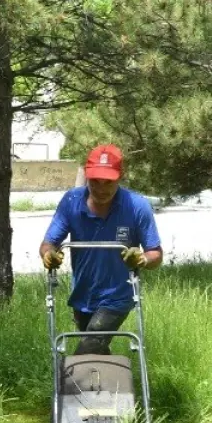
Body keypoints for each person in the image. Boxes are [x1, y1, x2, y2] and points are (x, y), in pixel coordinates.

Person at [40, 144, 163, 356]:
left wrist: (141, 259)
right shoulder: (71, 202)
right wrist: (48, 255)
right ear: (87, 176)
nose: (101, 189)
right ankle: (112, 387)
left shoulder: (137, 206)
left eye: (109, 182)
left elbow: (156, 253)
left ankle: (69, 385)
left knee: (89, 344)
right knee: (96, 349)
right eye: (95, 181)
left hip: (118, 296)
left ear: (120, 177)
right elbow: (48, 243)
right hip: (82, 295)